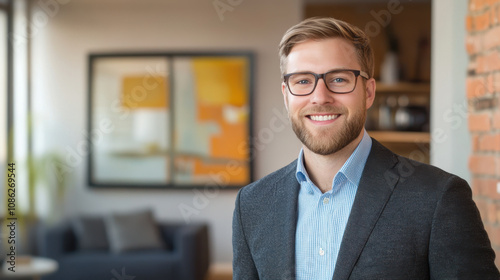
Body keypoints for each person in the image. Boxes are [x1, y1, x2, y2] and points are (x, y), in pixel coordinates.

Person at [232, 17, 499, 280]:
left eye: (338, 79)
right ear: (286, 95)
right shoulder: (252, 205)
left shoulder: (439, 198)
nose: (320, 97)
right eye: (302, 81)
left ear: (369, 92)